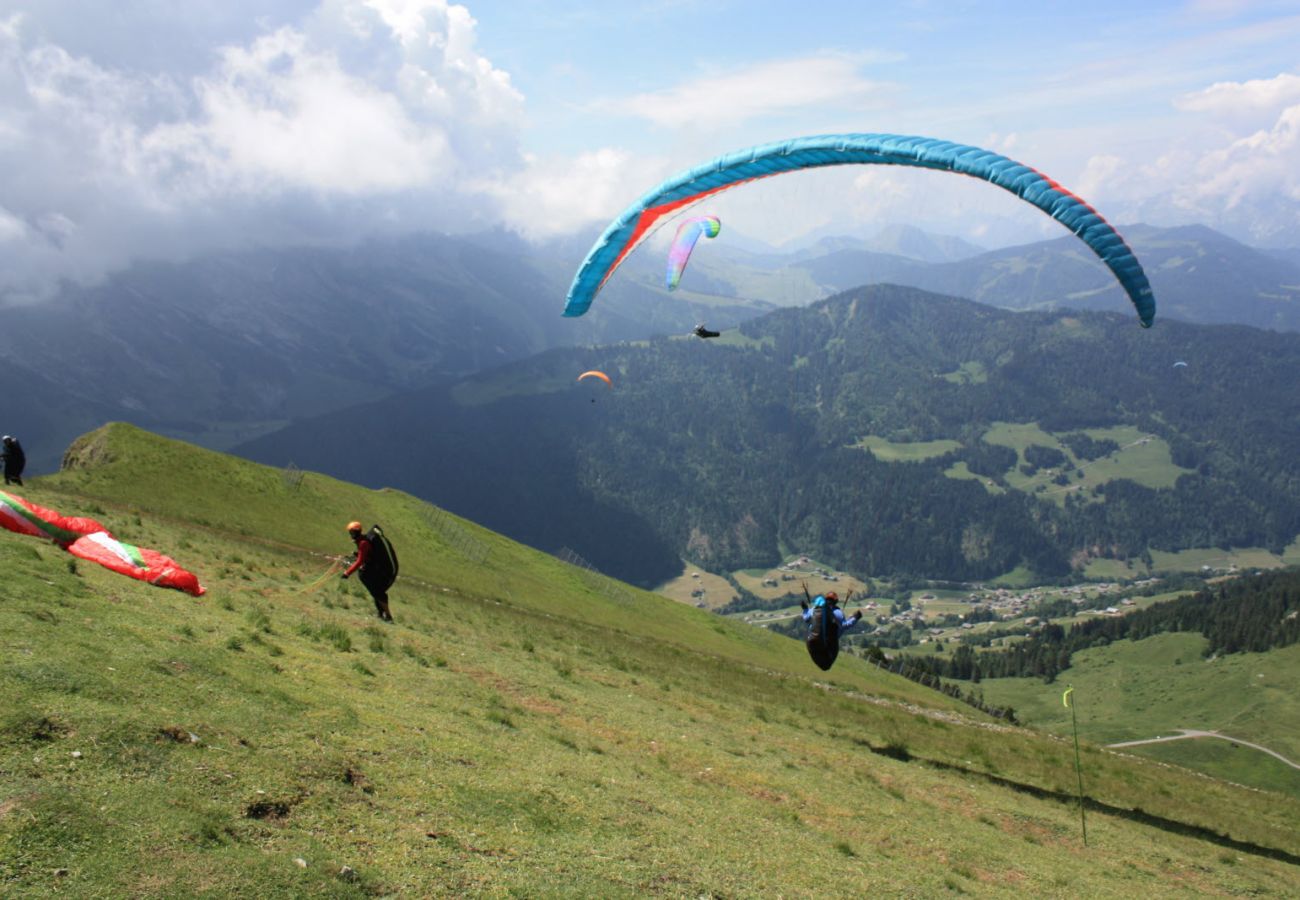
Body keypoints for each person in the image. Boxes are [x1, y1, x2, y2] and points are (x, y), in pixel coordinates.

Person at [800, 583, 863, 671]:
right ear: (836, 601)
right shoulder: (838, 613)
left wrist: (805, 609)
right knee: (826, 666)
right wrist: (856, 617)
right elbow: (845, 626)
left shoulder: (815, 609)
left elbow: (806, 618)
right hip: (829, 646)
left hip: (811, 642)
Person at [341, 521, 394, 622]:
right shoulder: (362, 541)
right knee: (375, 593)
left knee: (377, 593)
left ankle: (388, 616)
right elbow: (366, 555)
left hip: (373, 572)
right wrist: (356, 554)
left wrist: (347, 573)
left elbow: (360, 561)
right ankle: (380, 614)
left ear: (357, 532)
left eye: (352, 533)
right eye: (350, 533)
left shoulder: (363, 543)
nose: (351, 535)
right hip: (372, 569)